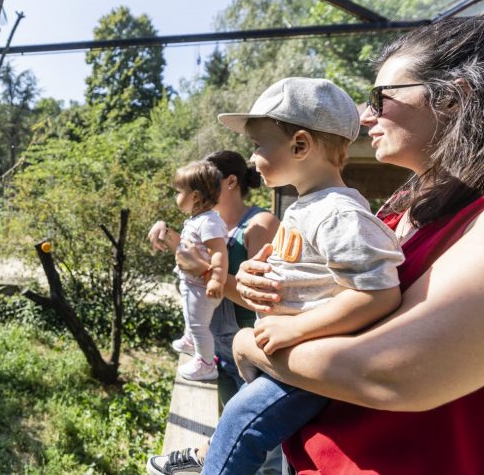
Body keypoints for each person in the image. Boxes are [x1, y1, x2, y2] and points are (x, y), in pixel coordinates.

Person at [227, 16, 484, 474]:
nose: (365, 117)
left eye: (380, 98)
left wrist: (253, 344)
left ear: (453, 97)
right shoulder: (397, 208)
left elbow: (396, 372)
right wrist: (266, 282)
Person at [193, 77, 405, 474]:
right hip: (291, 360)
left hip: (311, 363)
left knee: (241, 423)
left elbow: (379, 295)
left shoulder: (339, 214)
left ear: (301, 145)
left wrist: (296, 329)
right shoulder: (305, 207)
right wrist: (263, 273)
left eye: (258, 145)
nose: (252, 158)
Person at [146, 151, 280, 475]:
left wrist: (206, 271)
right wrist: (167, 233)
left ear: (230, 182)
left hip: (252, 356)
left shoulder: (260, 224)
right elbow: (193, 260)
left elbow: (267, 303)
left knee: (262, 454)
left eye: (206, 178)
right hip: (219, 353)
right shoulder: (208, 223)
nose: (198, 186)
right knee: (227, 427)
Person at [156, 160, 229, 381]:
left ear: (195, 197)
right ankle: (189, 341)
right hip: (193, 283)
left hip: (202, 286)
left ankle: (206, 364)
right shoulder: (198, 220)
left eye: (179, 192)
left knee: (199, 325)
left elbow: (219, 251)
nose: (175, 197)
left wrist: (216, 278)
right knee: (190, 316)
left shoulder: (208, 222)